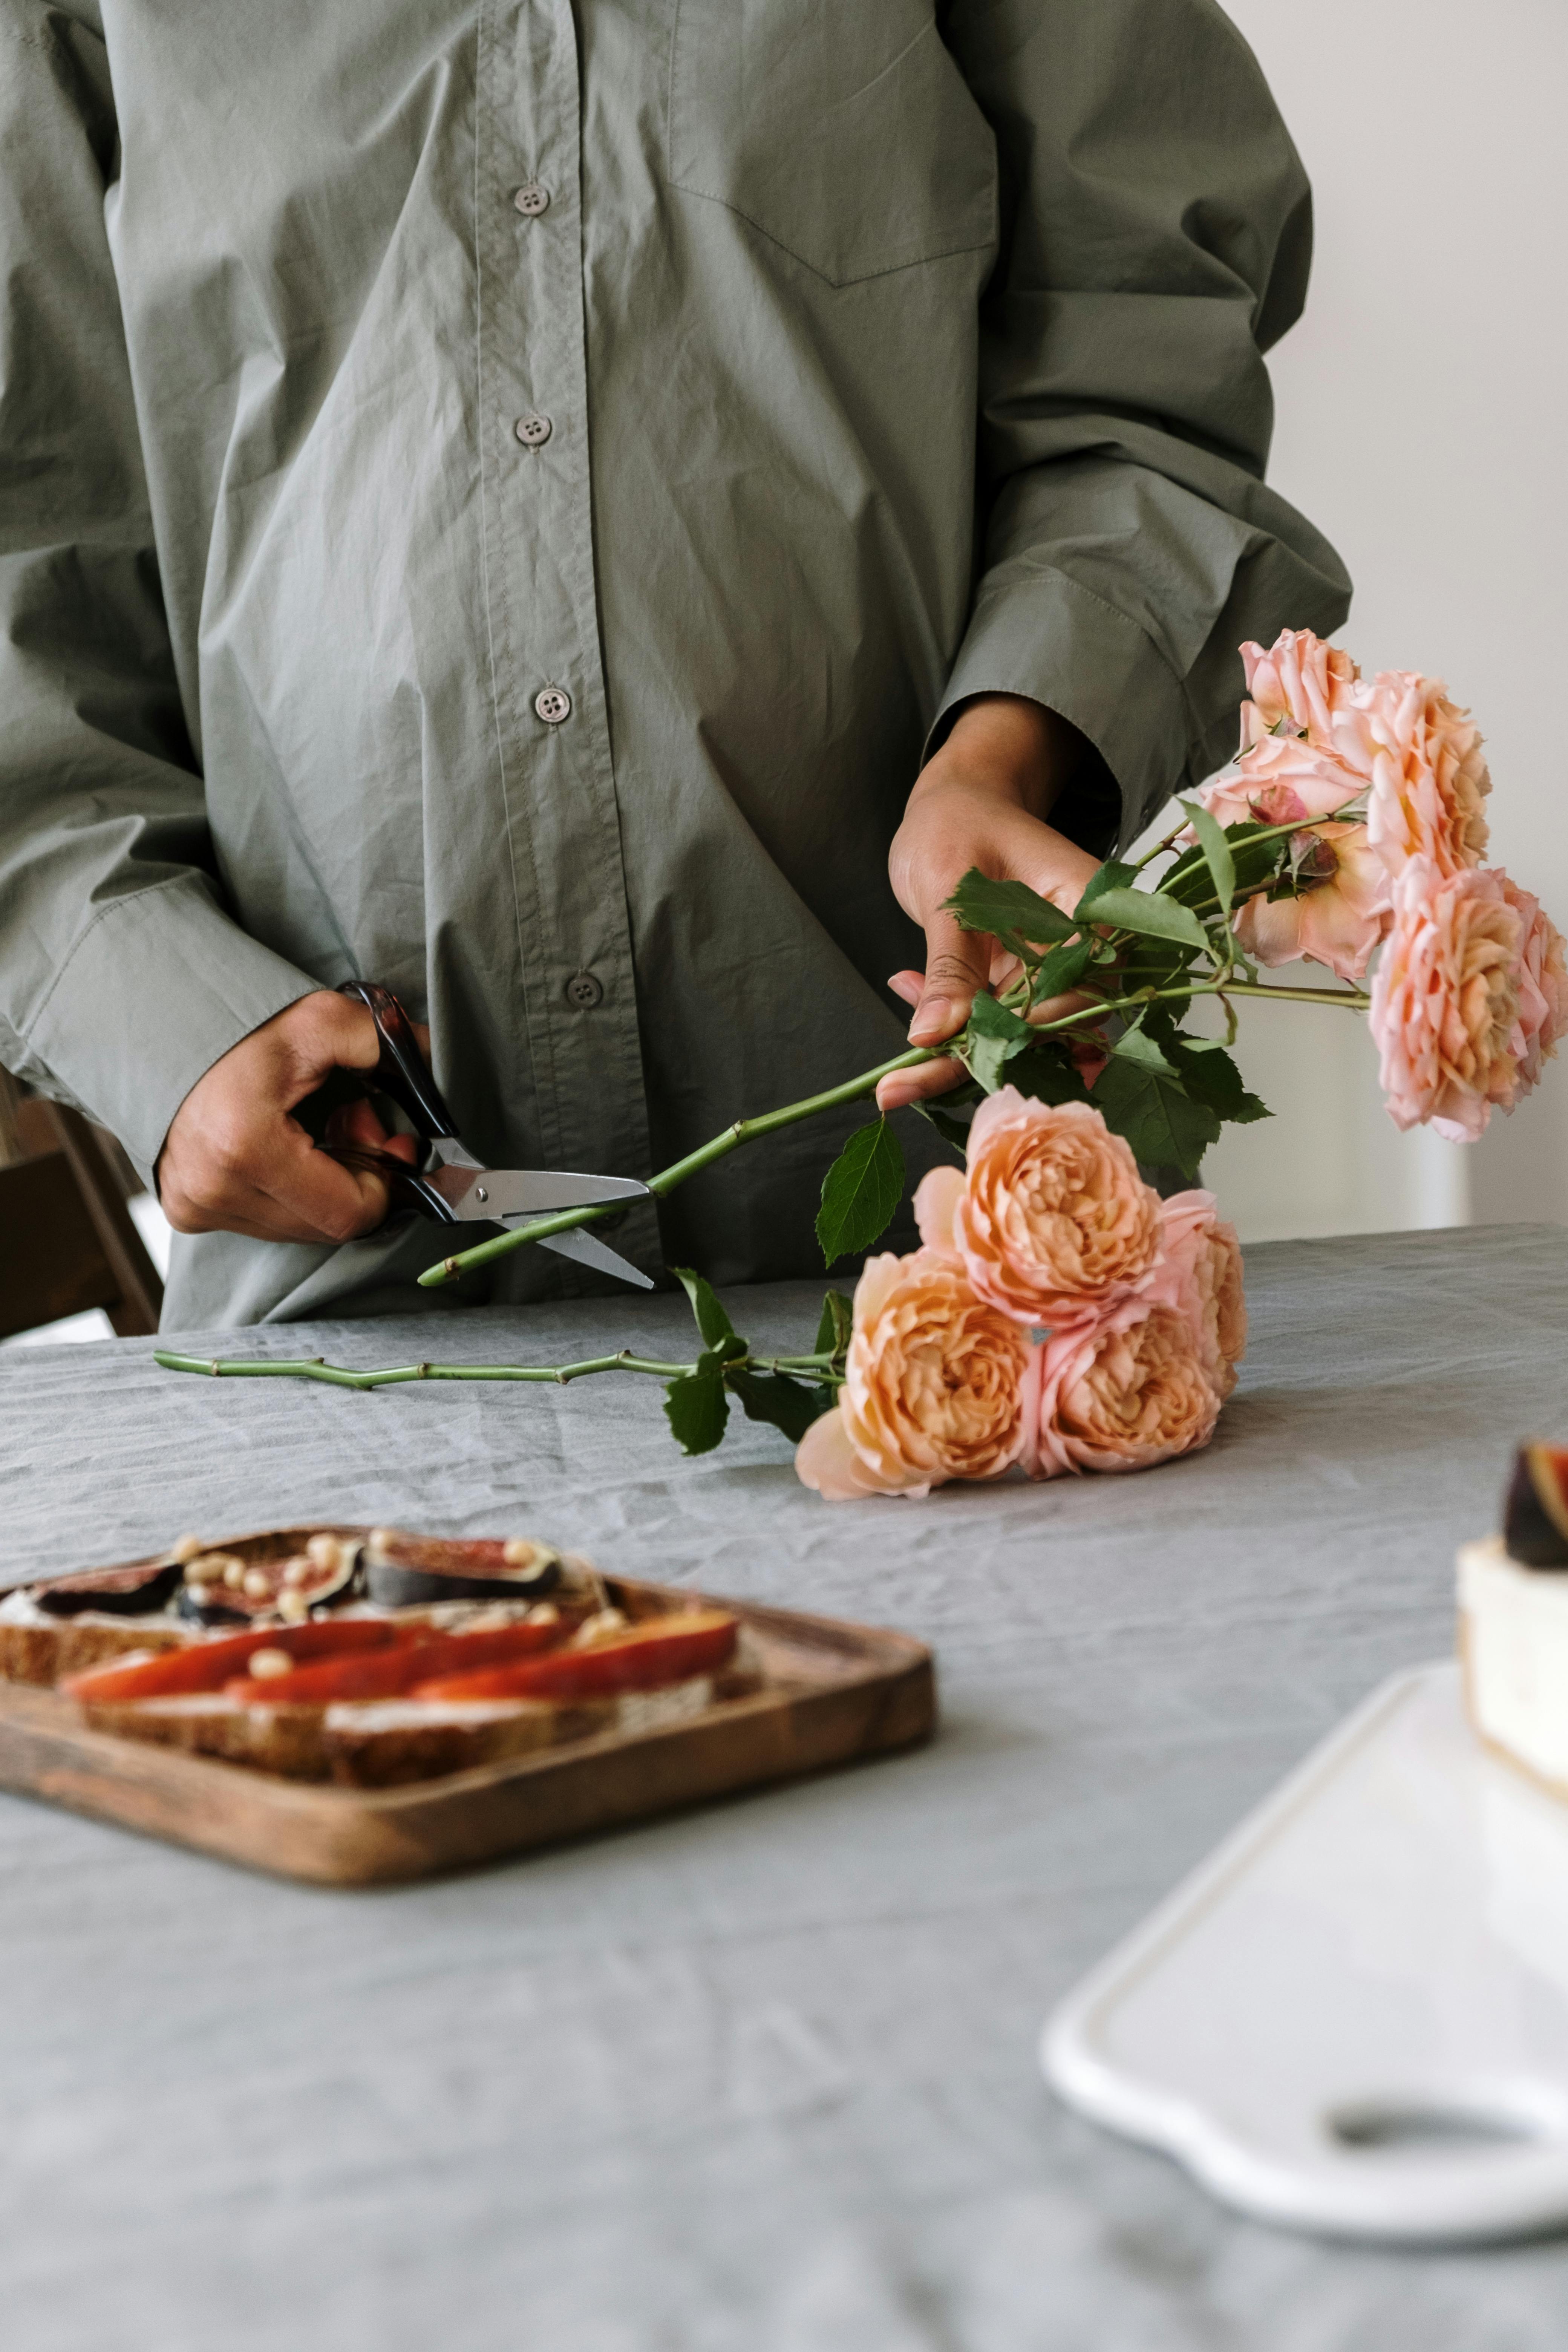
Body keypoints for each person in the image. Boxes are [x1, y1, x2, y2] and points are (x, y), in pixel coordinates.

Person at [0, 1, 1348, 1328]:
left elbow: (1148, 363)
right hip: (354, 1278)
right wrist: (165, 1021)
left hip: (967, 1240)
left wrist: (1008, 748)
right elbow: (24, 561)